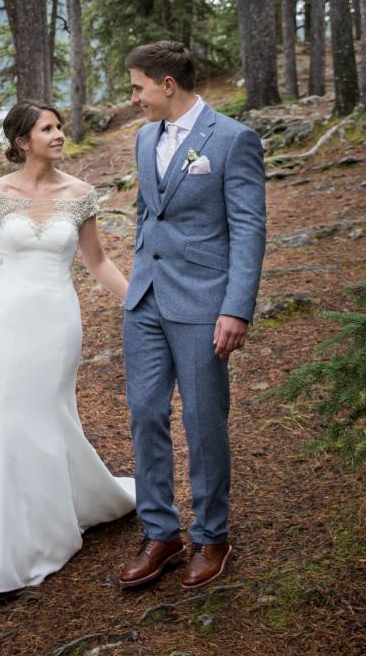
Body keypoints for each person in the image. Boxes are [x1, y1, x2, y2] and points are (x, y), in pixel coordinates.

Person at [0, 99, 135, 593]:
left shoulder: (81, 194)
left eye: (60, 126)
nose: (59, 134)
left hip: (57, 321)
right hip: (5, 318)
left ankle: (47, 517)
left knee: (45, 412)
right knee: (1, 412)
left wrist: (140, 302)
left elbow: (98, 262)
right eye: (48, 128)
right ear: (23, 142)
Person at [117, 40, 266, 591]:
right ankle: (161, 532)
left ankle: (212, 535)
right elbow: (145, 215)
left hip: (205, 303)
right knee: (144, 414)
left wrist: (236, 307)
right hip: (146, 302)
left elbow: (250, 228)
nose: (134, 99)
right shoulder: (142, 138)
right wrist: (137, 277)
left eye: (137, 87)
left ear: (167, 85)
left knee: (203, 422)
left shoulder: (232, 140)